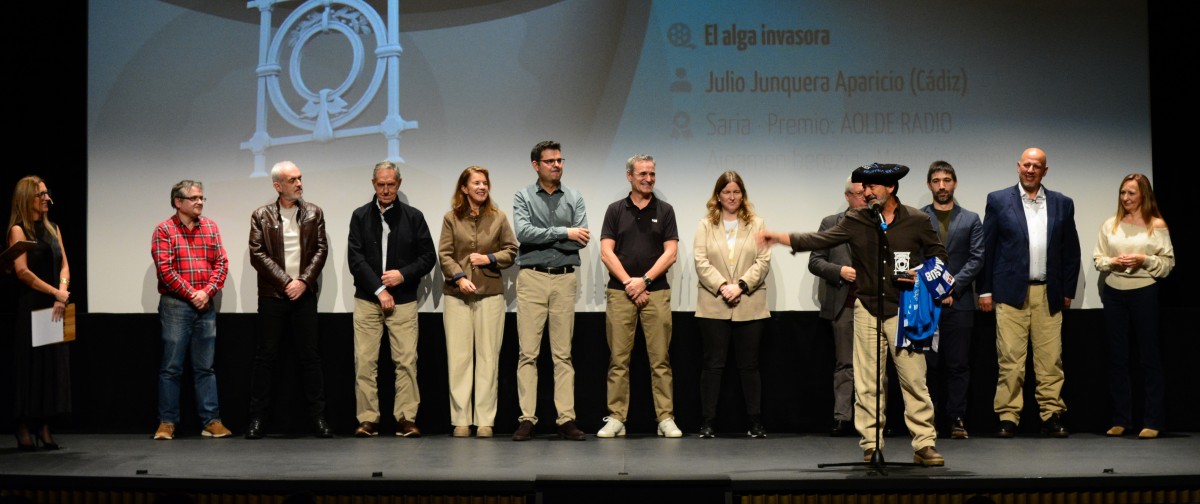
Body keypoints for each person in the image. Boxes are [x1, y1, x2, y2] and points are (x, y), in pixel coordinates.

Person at [758, 163, 947, 466]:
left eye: (872, 187)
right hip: (867, 309)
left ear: (891, 188)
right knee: (869, 383)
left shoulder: (917, 220)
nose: (867, 193)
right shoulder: (856, 220)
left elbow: (939, 256)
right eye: (864, 188)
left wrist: (921, 274)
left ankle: (924, 443)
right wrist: (783, 238)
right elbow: (821, 240)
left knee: (914, 380)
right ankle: (871, 444)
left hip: (904, 310)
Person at [979, 147, 1080, 438]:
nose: (1030, 170)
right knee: (1010, 360)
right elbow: (988, 249)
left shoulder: (1062, 203)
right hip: (1010, 293)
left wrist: (1067, 290)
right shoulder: (999, 200)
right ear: (1018, 166)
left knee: (1050, 360)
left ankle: (1051, 414)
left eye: (1036, 166)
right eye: (1026, 165)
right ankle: (1008, 417)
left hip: (1048, 293)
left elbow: (1071, 251)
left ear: (1045, 171)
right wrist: (984, 290)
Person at [347, 161, 436, 438]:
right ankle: (368, 420)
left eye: (391, 184)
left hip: (404, 300)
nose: (386, 190)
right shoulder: (360, 216)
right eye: (381, 184)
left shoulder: (414, 217)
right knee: (365, 362)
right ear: (373, 184)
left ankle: (406, 419)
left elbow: (428, 257)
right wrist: (379, 290)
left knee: (406, 362)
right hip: (368, 299)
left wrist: (402, 275)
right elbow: (355, 259)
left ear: (399, 184)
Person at [245, 161, 332, 439]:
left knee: (310, 358)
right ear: (277, 186)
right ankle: (258, 419)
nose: (299, 183)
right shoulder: (261, 215)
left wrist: (303, 281)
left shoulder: (314, 212)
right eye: (292, 180)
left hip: (304, 295)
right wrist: (286, 283)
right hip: (273, 296)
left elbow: (321, 250)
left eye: (300, 178)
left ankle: (318, 418)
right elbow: (257, 254)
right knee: (266, 358)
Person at [597, 154, 681, 438]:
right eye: (643, 174)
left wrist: (643, 281)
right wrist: (629, 283)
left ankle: (665, 418)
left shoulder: (665, 210)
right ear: (629, 176)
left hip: (656, 292)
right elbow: (606, 252)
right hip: (620, 293)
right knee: (618, 360)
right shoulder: (615, 210)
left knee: (660, 360)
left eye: (652, 174)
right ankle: (617, 418)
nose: (648, 179)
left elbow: (671, 253)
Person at [512, 140, 589, 441]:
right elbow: (523, 233)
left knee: (563, 354)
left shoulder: (574, 197)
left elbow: (581, 238)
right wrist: (563, 232)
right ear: (536, 165)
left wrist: (550, 237)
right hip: (532, 277)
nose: (557, 165)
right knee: (528, 353)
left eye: (560, 160)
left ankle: (565, 419)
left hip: (564, 278)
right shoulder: (523, 196)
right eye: (550, 161)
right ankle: (527, 419)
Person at [438, 166, 519, 438]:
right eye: (476, 183)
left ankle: (485, 419)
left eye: (485, 183)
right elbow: (445, 254)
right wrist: (459, 277)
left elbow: (512, 250)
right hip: (457, 295)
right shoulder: (451, 218)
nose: (482, 187)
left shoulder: (498, 217)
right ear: (464, 188)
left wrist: (489, 259)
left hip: (490, 293)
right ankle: (461, 419)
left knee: (488, 357)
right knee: (459, 358)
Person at [1093, 173, 1173, 439]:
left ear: (1143, 195)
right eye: (1122, 193)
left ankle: (1153, 420)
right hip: (1114, 294)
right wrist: (1112, 263)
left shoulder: (1156, 225)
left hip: (1144, 292)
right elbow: (1098, 258)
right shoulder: (1111, 224)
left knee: (1149, 356)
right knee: (1118, 357)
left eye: (1131, 193)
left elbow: (1167, 263)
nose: (1125, 198)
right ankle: (1121, 419)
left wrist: (1144, 260)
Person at [151, 180, 232, 440]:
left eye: (201, 198)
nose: (199, 202)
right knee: (171, 367)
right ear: (178, 202)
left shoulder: (210, 227)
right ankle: (167, 422)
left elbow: (221, 263)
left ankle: (211, 421)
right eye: (194, 198)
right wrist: (192, 294)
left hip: (205, 305)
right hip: (176, 305)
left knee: (205, 367)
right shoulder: (164, 230)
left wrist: (206, 292)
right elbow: (165, 270)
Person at [693, 171, 770, 438]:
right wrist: (723, 286)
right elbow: (701, 261)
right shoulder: (705, 225)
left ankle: (755, 422)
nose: (732, 197)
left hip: (750, 303)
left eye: (736, 192)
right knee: (713, 365)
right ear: (718, 195)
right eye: (727, 192)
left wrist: (741, 286)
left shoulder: (757, 224)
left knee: (749, 365)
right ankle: (708, 422)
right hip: (713, 304)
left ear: (742, 195)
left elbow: (763, 261)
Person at [920, 161, 984, 439]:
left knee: (958, 364)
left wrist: (950, 288)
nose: (942, 186)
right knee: (927, 366)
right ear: (929, 185)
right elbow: (915, 257)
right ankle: (928, 420)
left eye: (947, 180)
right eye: (936, 181)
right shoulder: (918, 218)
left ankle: (957, 418)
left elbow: (977, 258)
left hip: (960, 303)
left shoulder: (971, 219)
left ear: (954, 183)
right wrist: (935, 290)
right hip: (926, 303)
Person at [7, 176, 71, 450]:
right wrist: (54, 292)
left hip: (56, 305)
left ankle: (44, 425)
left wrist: (62, 292)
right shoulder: (19, 230)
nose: (47, 198)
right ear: (26, 199)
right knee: (30, 366)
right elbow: (22, 271)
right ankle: (23, 425)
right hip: (31, 304)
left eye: (47, 193)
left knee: (51, 367)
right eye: (40, 194)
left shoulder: (53, 228)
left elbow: (64, 265)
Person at [808, 177, 867, 437]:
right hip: (845, 304)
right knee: (845, 363)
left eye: (867, 194)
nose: (864, 199)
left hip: (874, 305)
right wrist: (839, 270)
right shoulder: (831, 224)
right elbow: (815, 261)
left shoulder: (880, 224)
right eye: (859, 194)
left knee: (876, 366)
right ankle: (842, 417)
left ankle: (876, 418)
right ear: (847, 196)